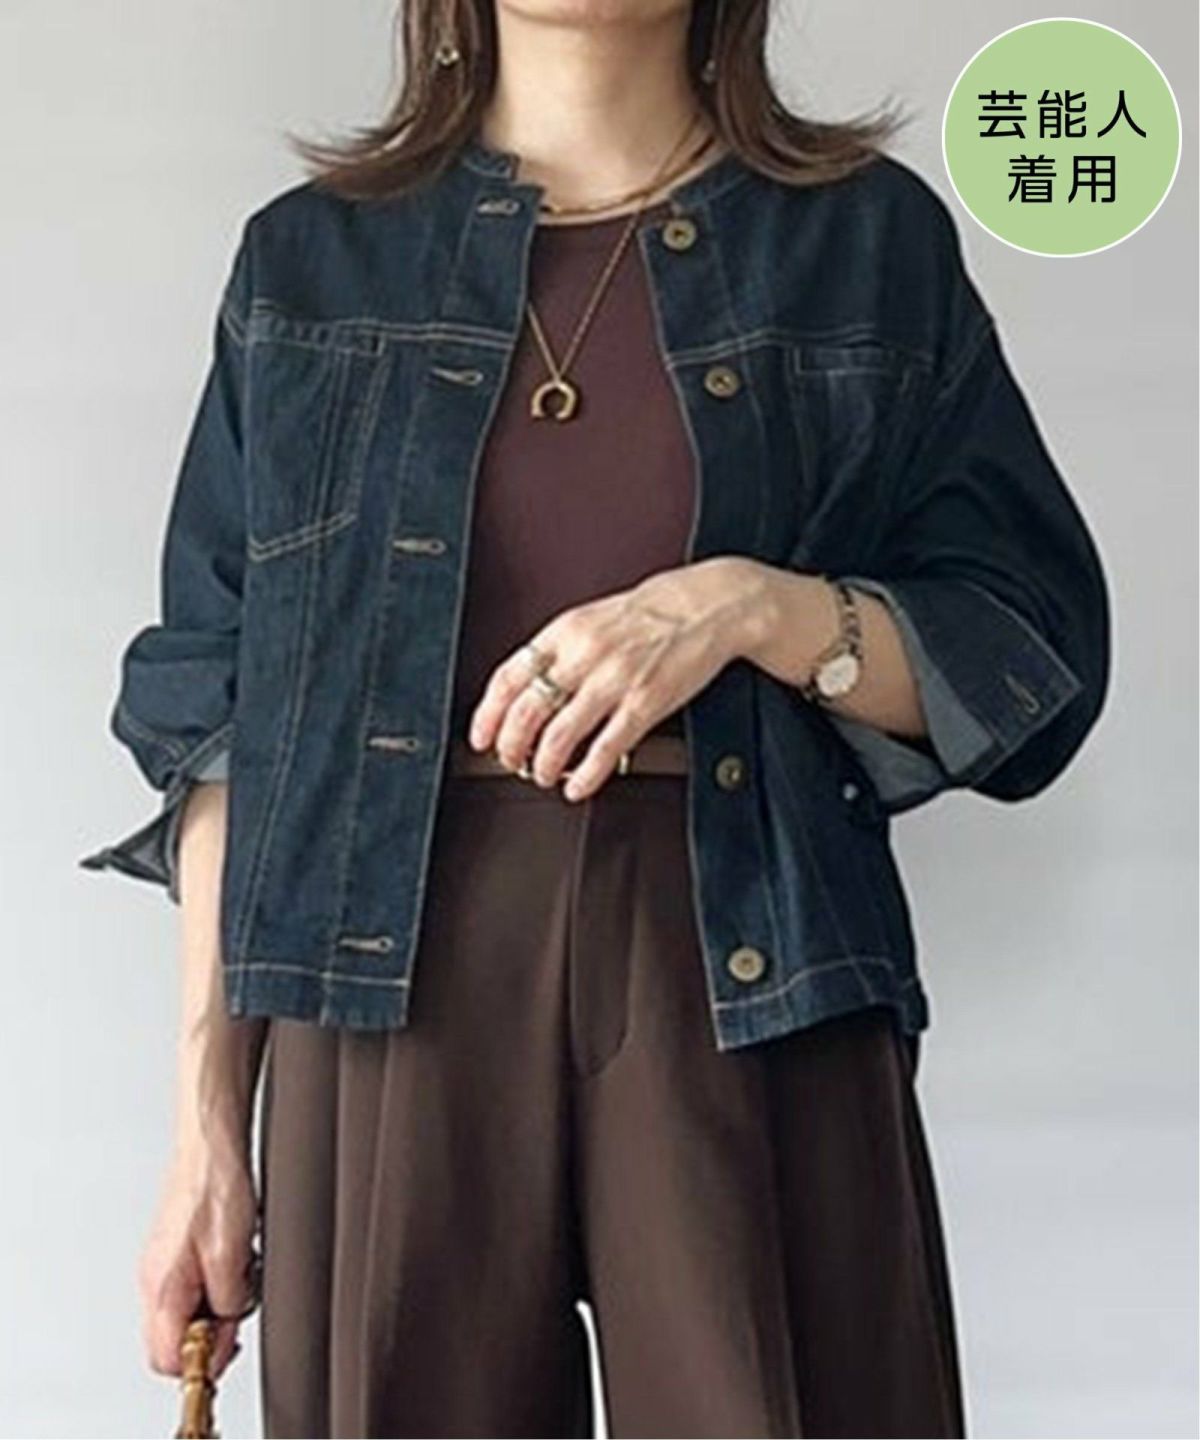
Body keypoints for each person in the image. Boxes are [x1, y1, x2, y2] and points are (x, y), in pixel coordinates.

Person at [78, 0, 1111, 1433]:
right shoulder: (308, 269)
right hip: (385, 978)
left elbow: (1029, 649)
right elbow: (227, 719)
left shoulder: (865, 245)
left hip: (750, 955)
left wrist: (752, 608)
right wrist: (205, 1129)